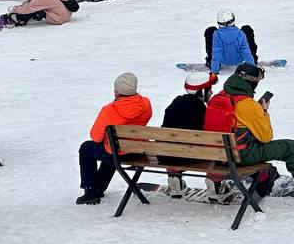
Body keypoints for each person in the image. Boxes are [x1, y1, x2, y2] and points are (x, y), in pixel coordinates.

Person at [205, 63, 294, 199]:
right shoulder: (248, 105)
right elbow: (266, 137)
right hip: (240, 156)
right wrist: (263, 111)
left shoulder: (218, 98)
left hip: (218, 154)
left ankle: (264, 177)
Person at [77, 72, 153, 205]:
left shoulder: (110, 110)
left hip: (120, 152)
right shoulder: (145, 104)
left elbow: (95, 137)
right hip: (139, 150)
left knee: (87, 148)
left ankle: (91, 191)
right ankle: (99, 185)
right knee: (112, 144)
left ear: (118, 91)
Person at [162, 71, 217, 197]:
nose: (211, 92)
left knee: (173, 146)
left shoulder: (175, 103)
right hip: (192, 156)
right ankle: (216, 185)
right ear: (201, 91)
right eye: (209, 90)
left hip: (167, 155)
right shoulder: (201, 109)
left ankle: (174, 179)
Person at [205, 8, 257, 74]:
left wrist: (214, 71)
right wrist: (252, 67)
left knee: (210, 30)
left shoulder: (216, 35)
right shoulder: (241, 34)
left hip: (222, 61)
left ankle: (211, 62)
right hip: (239, 60)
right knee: (247, 29)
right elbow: (246, 52)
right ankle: (253, 59)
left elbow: (216, 53)